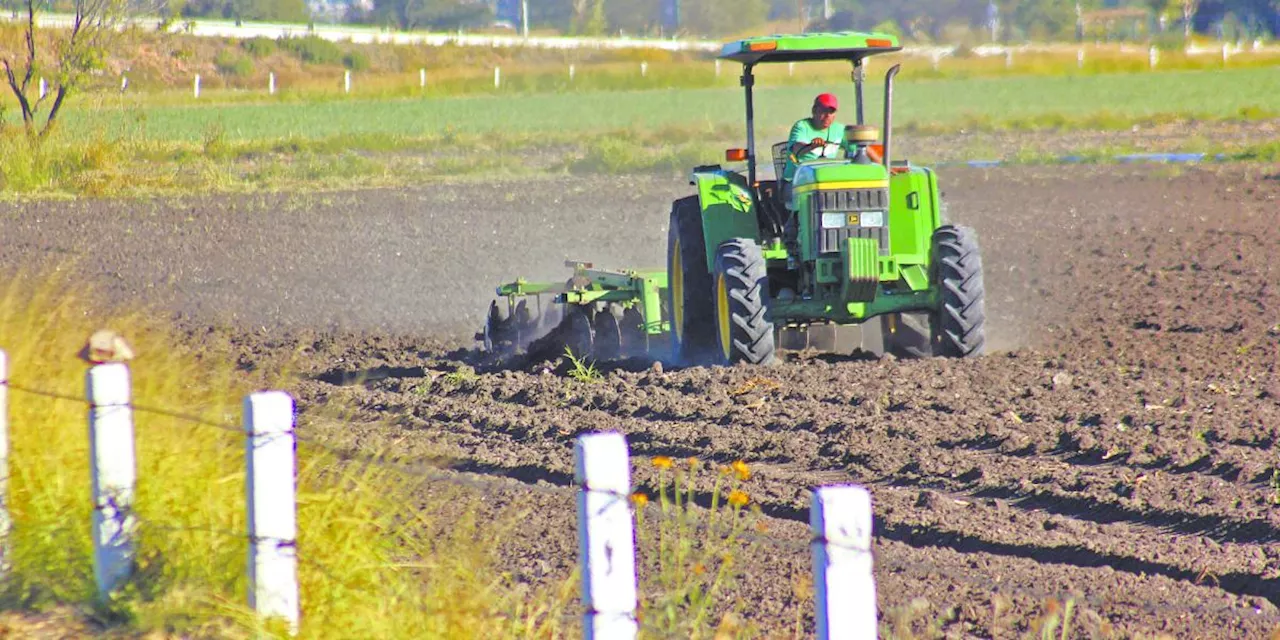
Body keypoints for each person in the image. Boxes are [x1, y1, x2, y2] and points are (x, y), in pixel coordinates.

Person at [780, 93, 845, 205]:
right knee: (812, 200)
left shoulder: (839, 129)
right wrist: (811, 146)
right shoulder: (802, 127)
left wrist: (884, 168)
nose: (827, 115)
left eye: (831, 112)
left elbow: (860, 146)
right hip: (796, 182)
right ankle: (798, 221)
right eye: (824, 111)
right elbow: (796, 148)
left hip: (826, 181)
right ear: (814, 111)